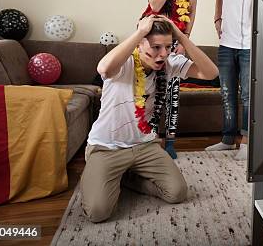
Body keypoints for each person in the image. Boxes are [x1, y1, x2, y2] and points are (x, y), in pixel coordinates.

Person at [81, 15, 218, 223]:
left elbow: (211, 73)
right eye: (155, 47)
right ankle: (103, 176)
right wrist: (139, 32)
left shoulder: (171, 63)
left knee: (177, 193)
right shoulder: (124, 62)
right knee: (98, 212)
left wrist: (180, 36)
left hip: (146, 145)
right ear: (139, 43)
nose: (163, 54)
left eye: (168, 46)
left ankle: (126, 177)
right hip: (107, 148)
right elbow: (104, 69)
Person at [205, 0, 263, 160]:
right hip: (226, 42)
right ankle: (227, 139)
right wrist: (217, 19)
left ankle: (246, 142)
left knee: (247, 96)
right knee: (227, 92)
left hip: (250, 44)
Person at [141, 0, 204, 158]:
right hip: (152, 35)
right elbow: (155, 5)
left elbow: (192, 11)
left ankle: (170, 142)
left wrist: (184, 40)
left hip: (177, 38)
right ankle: (148, 140)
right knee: (150, 91)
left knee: (173, 92)